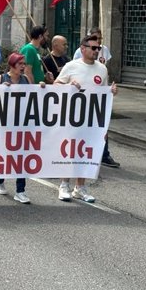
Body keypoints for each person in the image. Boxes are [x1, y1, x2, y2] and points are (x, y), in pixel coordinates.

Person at [55, 34, 119, 202]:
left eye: (98, 48)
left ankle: (80, 187)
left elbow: (103, 94)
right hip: (71, 117)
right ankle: (64, 185)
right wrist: (69, 85)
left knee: (85, 152)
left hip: (91, 119)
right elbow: (55, 86)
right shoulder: (71, 66)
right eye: (93, 48)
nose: (96, 51)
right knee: (70, 150)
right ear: (83, 49)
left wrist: (111, 92)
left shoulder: (102, 69)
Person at [0, 53, 32, 204]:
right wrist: (1, 90)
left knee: (21, 156)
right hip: (4, 124)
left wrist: (42, 86)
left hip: (21, 124)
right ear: (12, 64)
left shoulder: (26, 80)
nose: (23, 66)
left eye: (24, 63)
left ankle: (20, 190)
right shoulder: (1, 79)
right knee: (3, 154)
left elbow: (35, 96)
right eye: (20, 63)